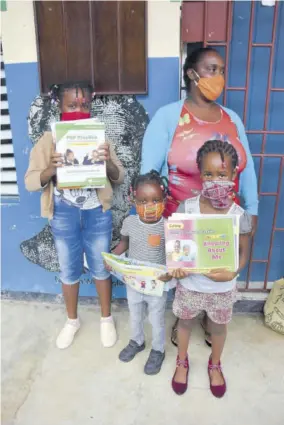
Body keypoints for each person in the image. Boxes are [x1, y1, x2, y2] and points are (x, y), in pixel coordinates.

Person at [140, 46, 259, 346]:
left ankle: (211, 320)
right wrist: (149, 224)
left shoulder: (231, 119)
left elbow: (247, 167)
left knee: (215, 274)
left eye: (221, 70)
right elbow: (148, 175)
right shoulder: (168, 117)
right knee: (187, 280)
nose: (218, 76)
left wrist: (252, 209)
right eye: (211, 69)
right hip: (181, 220)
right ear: (192, 73)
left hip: (224, 220)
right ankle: (184, 319)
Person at [25, 81, 125, 349]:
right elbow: (31, 181)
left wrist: (105, 164)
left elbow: (119, 176)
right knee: (68, 269)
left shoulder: (99, 138)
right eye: (72, 105)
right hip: (64, 213)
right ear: (59, 105)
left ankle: (106, 319)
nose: (79, 109)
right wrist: (51, 170)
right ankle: (72, 321)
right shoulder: (49, 140)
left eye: (84, 105)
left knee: (100, 266)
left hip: (96, 211)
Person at [170, 140, 252, 397]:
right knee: (184, 323)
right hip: (191, 285)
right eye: (208, 174)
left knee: (218, 327)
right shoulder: (188, 209)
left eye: (222, 174)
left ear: (233, 174)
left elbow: (243, 254)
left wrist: (234, 272)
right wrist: (177, 267)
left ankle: (215, 363)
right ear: (199, 173)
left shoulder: (238, 215)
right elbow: (177, 253)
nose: (215, 180)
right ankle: (181, 361)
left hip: (222, 288)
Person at [112, 170, 175, 375]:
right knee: (135, 315)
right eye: (143, 200)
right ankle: (137, 341)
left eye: (156, 200)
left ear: (164, 199)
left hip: (157, 284)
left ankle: (158, 350)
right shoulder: (130, 223)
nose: (149, 206)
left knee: (156, 319)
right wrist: (112, 258)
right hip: (134, 283)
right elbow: (123, 244)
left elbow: (175, 256)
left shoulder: (168, 227)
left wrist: (171, 273)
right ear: (133, 199)